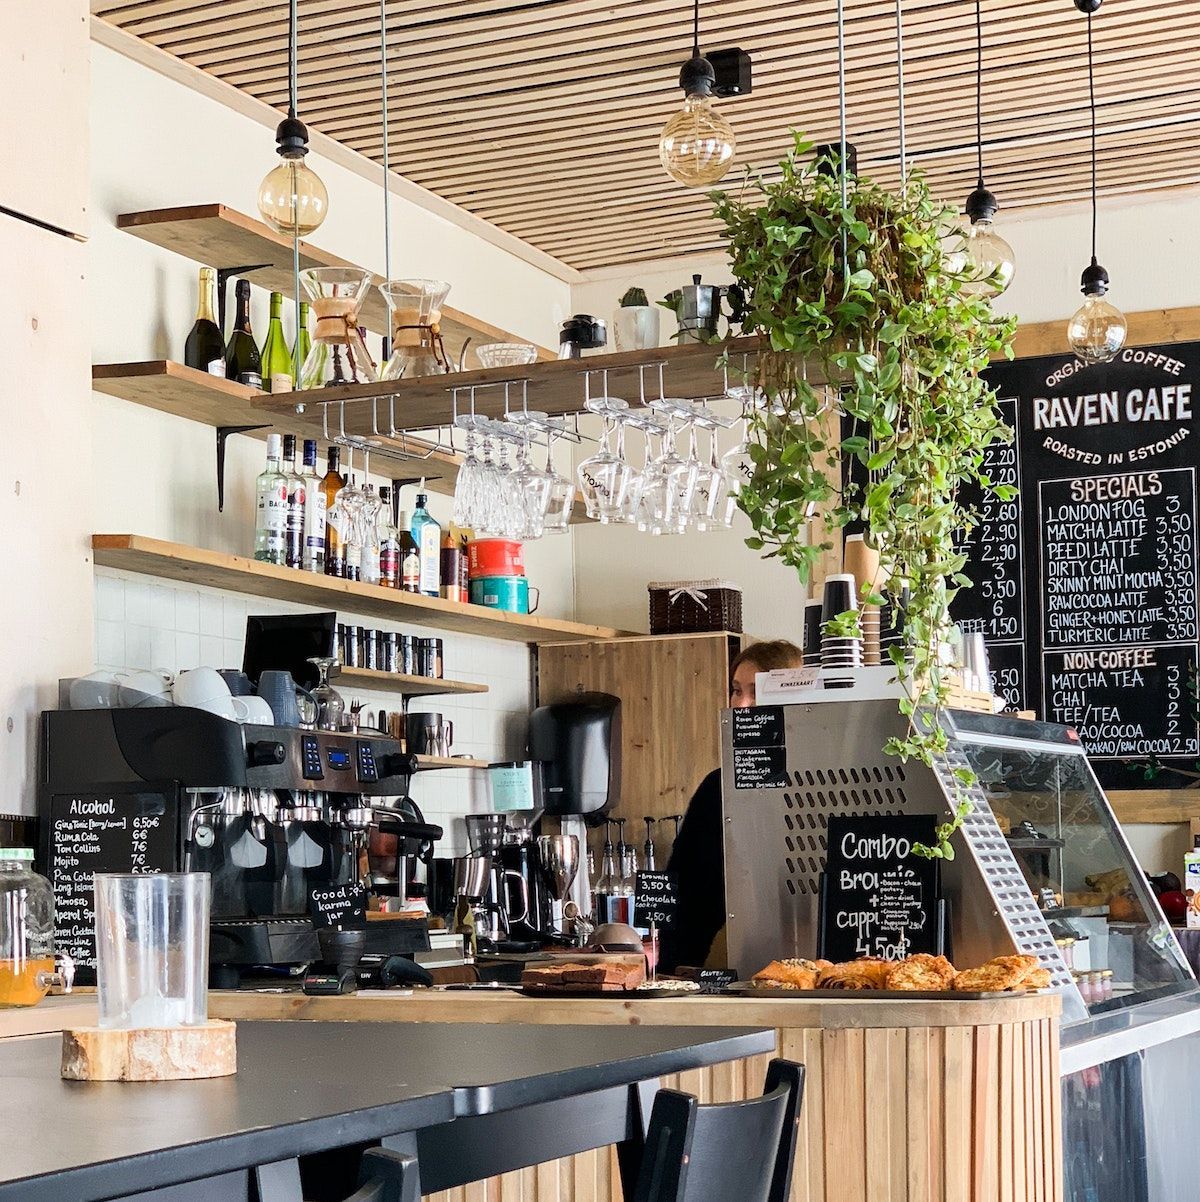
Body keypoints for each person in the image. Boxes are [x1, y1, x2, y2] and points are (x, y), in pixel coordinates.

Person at [658, 639, 804, 972]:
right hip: (744, 973)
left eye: (756, 691)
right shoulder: (717, 787)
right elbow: (686, 892)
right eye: (736, 691)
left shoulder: (822, 778)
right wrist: (668, 973)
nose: (741, 705)